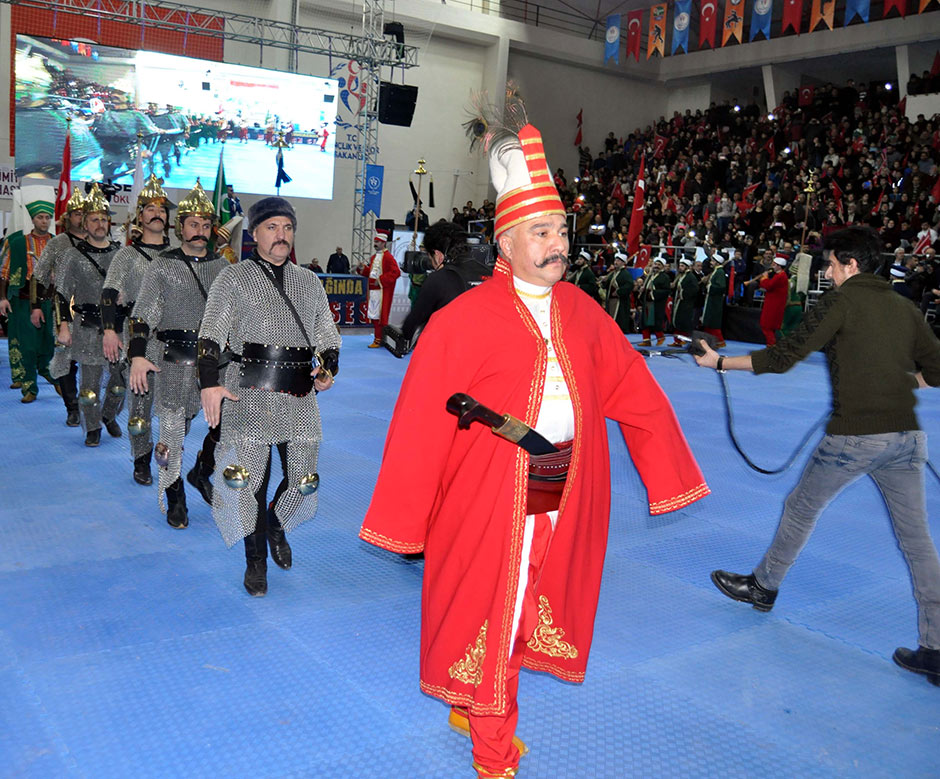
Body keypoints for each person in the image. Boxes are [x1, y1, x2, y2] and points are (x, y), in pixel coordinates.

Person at [360, 120, 708, 779]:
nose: (557, 245)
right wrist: (407, 515)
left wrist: (668, 471)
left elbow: (635, 390)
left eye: (562, 232)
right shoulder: (463, 318)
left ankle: (477, 699)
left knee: (530, 602)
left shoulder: (581, 308)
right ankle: (494, 756)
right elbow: (418, 422)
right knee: (492, 606)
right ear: (507, 241)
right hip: (488, 493)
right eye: (542, 233)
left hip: (565, 490)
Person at [694, 226, 940, 688]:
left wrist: (721, 363)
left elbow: (786, 354)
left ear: (849, 264)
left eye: (829, 263)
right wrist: (900, 384)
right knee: (918, 542)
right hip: (907, 439)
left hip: (855, 438)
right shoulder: (906, 307)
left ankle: (763, 587)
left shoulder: (842, 300)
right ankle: (938, 648)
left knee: (801, 507)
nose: (827, 271)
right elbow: (938, 370)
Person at [198, 197, 341, 596]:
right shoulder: (233, 278)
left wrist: (328, 368)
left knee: (304, 481)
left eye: (288, 228)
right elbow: (210, 334)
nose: (282, 236)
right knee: (247, 483)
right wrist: (209, 381)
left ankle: (276, 524)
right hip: (250, 391)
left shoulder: (310, 281)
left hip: (299, 393)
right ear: (256, 234)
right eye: (273, 228)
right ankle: (255, 561)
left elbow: (328, 337)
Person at [128, 182, 228, 529]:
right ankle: (174, 495)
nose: (199, 232)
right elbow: (142, 315)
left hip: (216, 364)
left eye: (205, 225)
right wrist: (138, 356)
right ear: (179, 226)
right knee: (172, 434)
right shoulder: (162, 266)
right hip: (173, 360)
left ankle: (202, 471)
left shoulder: (225, 268)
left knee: (226, 426)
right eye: (192, 225)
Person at [101, 174, 173, 486]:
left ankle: (170, 458)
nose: (158, 213)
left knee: (177, 405)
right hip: (138, 337)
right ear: (139, 216)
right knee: (141, 405)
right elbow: (108, 294)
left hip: (175, 339)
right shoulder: (126, 256)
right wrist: (109, 331)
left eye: (163, 209)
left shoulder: (178, 256)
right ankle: (141, 460)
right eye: (151, 208)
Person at [54, 183, 126, 446]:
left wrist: (126, 295)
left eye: (104, 219)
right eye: (94, 219)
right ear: (84, 223)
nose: (100, 224)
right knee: (90, 387)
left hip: (118, 326)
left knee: (120, 382)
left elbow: (133, 288)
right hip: (86, 325)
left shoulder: (121, 254)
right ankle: (92, 426)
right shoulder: (72, 256)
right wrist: (63, 326)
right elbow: (61, 293)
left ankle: (108, 415)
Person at [33, 189, 85, 426]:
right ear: (67, 217)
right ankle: (72, 408)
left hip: (95, 309)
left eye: (85, 213)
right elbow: (39, 275)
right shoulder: (58, 243)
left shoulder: (102, 242)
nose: (81, 218)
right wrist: (36, 305)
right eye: (76, 213)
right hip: (65, 307)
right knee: (66, 359)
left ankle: (93, 408)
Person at [0, 187, 55, 403]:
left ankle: (48, 372)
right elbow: (3, 272)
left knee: (48, 342)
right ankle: (29, 387)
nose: (44, 221)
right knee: (28, 345)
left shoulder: (57, 242)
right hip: (22, 301)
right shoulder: (16, 242)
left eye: (48, 217)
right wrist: (3, 298)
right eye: (40, 217)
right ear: (33, 219)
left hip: (49, 301)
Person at [399, 221, 492, 343]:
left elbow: (411, 327)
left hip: (454, 355)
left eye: (429, 256)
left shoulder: (439, 279)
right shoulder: (492, 274)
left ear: (438, 255)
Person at [362, 232, 400, 348]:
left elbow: (396, 272)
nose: (375, 244)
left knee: (379, 317)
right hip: (373, 291)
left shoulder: (388, 257)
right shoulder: (374, 257)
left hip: (381, 292)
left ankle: (378, 339)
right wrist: (361, 269)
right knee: (374, 316)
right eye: (375, 242)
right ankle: (378, 338)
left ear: (383, 243)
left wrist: (381, 280)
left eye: (377, 242)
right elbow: (371, 273)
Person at [750, 254, 788, 345]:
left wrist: (764, 278)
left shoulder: (779, 276)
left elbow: (768, 286)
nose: (772, 266)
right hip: (775, 303)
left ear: (779, 266)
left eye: (774, 264)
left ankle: (771, 346)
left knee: (766, 326)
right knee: (771, 327)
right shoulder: (781, 275)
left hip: (773, 304)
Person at [637, 256, 671, 346]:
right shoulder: (650, 275)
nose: (656, 266)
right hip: (647, 302)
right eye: (655, 264)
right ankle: (646, 340)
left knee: (656, 322)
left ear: (662, 267)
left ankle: (660, 337)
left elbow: (666, 291)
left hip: (656, 303)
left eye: (659, 265)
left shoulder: (665, 277)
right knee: (644, 321)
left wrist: (653, 293)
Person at [600, 251, 634, 333]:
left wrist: (618, 292)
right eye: (615, 260)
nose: (615, 262)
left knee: (619, 320)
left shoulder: (625, 274)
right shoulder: (613, 273)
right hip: (611, 301)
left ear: (623, 263)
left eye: (618, 261)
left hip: (619, 302)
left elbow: (629, 285)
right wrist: (604, 281)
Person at [670, 257, 699, 345]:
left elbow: (695, 289)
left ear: (687, 267)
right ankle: (677, 341)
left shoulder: (691, 277)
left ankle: (683, 340)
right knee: (677, 321)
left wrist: (683, 292)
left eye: (682, 266)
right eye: (680, 266)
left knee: (683, 321)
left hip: (686, 303)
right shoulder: (680, 276)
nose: (680, 267)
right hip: (678, 302)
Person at [701, 255, 728, 348]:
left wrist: (709, 286)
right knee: (709, 321)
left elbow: (721, 287)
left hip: (715, 301)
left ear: (717, 262)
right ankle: (710, 341)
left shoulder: (720, 272)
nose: (710, 262)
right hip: (711, 299)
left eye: (712, 261)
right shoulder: (716, 271)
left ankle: (719, 341)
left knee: (713, 321)